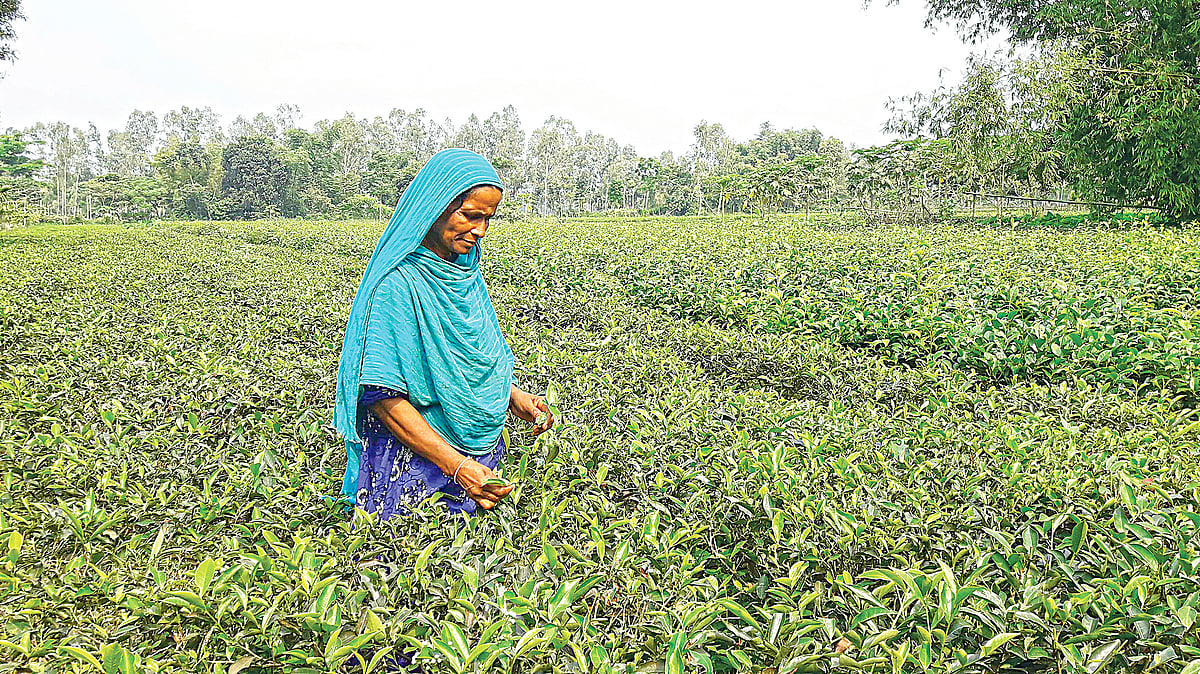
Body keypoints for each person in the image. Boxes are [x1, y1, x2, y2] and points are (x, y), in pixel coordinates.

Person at [333, 148, 554, 517]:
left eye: (488, 219)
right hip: (419, 462)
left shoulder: (466, 273)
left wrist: (512, 396)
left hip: (477, 461)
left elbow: (458, 362)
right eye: (469, 215)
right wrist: (457, 467)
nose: (479, 231)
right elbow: (382, 398)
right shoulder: (397, 285)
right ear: (435, 207)